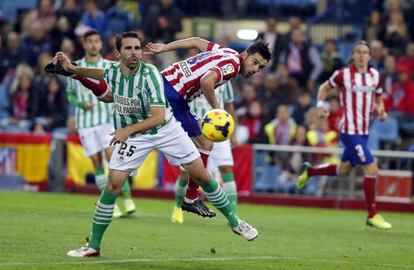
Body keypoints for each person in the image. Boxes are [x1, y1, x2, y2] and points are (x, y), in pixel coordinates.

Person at [48, 31, 258, 257]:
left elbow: (158, 117)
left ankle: (235, 222)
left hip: (164, 129)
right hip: (136, 136)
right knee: (112, 186)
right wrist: (72, 69)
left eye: (137, 48)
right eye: (128, 48)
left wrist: (126, 130)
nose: (134, 53)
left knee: (203, 176)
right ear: (118, 53)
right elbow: (101, 73)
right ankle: (93, 246)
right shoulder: (114, 70)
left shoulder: (150, 74)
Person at [146, 37, 271, 217]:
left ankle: (190, 196)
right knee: (205, 145)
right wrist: (218, 111)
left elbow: (197, 41)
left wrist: (165, 46)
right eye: (255, 63)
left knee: (203, 146)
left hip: (166, 83)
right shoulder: (233, 65)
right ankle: (190, 198)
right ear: (245, 55)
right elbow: (207, 81)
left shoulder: (226, 52)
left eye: (260, 67)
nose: (255, 69)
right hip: (172, 94)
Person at [296, 41, 392, 230]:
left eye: (365, 52)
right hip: (349, 130)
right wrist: (320, 107)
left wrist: (381, 111)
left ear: (370, 56)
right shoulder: (343, 74)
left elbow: (379, 98)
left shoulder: (375, 76)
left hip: (364, 131)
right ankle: (372, 214)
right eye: (358, 52)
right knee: (371, 169)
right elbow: (324, 88)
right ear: (353, 55)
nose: (362, 56)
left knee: (344, 170)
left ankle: (310, 171)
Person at [66, 29, 135, 218]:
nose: (94, 45)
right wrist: (81, 103)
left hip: (106, 121)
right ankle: (111, 205)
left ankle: (128, 199)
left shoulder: (109, 66)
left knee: (115, 160)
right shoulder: (75, 66)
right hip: (85, 123)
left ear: (101, 44)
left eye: (97, 41)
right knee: (96, 163)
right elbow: (70, 95)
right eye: (90, 42)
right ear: (85, 44)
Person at [171, 81, 238, 224]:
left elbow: (229, 104)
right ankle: (177, 207)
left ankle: (233, 213)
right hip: (196, 130)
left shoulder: (225, 80)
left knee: (226, 168)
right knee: (187, 172)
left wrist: (234, 132)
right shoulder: (194, 77)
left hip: (220, 130)